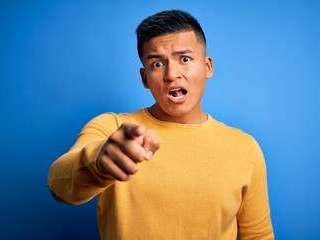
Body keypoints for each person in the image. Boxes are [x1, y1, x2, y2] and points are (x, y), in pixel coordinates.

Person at [48, 9, 274, 239]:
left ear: (208, 66)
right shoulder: (112, 128)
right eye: (157, 64)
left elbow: (259, 236)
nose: (171, 74)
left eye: (184, 59)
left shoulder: (244, 148)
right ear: (145, 78)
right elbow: (59, 186)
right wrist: (99, 163)